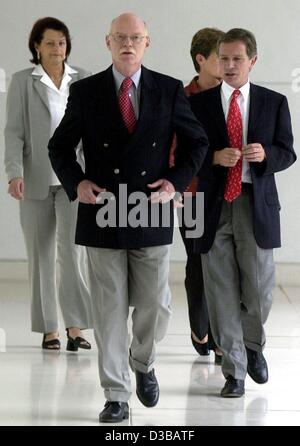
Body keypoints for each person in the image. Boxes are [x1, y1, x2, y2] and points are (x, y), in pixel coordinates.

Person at [48, 13, 208, 423]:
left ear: (147, 43)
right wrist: (77, 182)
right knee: (109, 309)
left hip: (150, 210)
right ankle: (116, 393)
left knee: (156, 304)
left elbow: (197, 143)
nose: (128, 44)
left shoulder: (168, 89)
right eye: (121, 37)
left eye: (136, 37)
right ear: (107, 42)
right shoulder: (85, 91)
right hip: (102, 211)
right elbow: (60, 147)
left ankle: (143, 360)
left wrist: (174, 183)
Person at [189, 28, 296, 397]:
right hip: (213, 206)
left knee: (260, 289)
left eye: (237, 59)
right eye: (224, 58)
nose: (229, 65)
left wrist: (266, 155)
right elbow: (187, 157)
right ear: (215, 59)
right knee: (219, 290)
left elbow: (287, 151)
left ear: (253, 60)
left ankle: (253, 346)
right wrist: (213, 158)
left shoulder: (273, 102)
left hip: (255, 204)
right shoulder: (198, 105)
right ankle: (233, 370)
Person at [4, 17, 93, 351]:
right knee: (40, 256)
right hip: (36, 178)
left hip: (74, 179)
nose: (58, 49)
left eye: (62, 43)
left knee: (73, 254)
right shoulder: (23, 82)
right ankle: (48, 329)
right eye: (51, 43)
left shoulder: (82, 80)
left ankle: (75, 327)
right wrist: (15, 173)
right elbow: (13, 133)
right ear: (36, 46)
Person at [171, 28, 225, 364]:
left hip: (226, 193)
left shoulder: (233, 95)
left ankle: (221, 336)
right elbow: (174, 147)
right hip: (190, 194)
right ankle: (200, 325)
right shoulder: (181, 97)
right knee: (197, 262)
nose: (227, 63)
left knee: (221, 265)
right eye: (221, 56)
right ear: (201, 59)